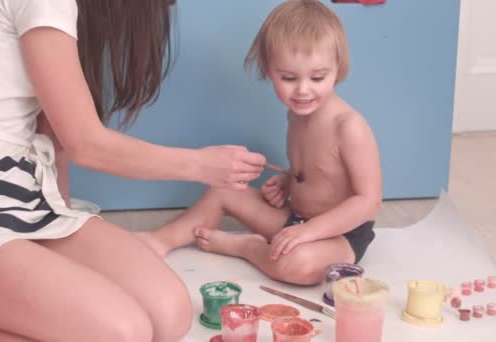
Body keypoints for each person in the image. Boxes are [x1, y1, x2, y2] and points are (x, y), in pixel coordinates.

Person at [0, 0, 267, 341]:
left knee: (170, 313)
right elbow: (87, 145)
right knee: (123, 332)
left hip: (13, 187)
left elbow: (53, 131)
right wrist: (203, 165)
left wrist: (61, 227)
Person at [139, 0, 382, 286]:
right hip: (296, 220)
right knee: (222, 191)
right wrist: (288, 182)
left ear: (337, 68)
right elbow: (316, 170)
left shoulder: (349, 127)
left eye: (318, 77)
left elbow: (369, 202)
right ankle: (158, 241)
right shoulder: (296, 115)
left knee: (297, 265)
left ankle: (246, 247)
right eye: (289, 78)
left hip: (339, 233)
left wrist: (309, 232)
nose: (303, 90)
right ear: (269, 70)